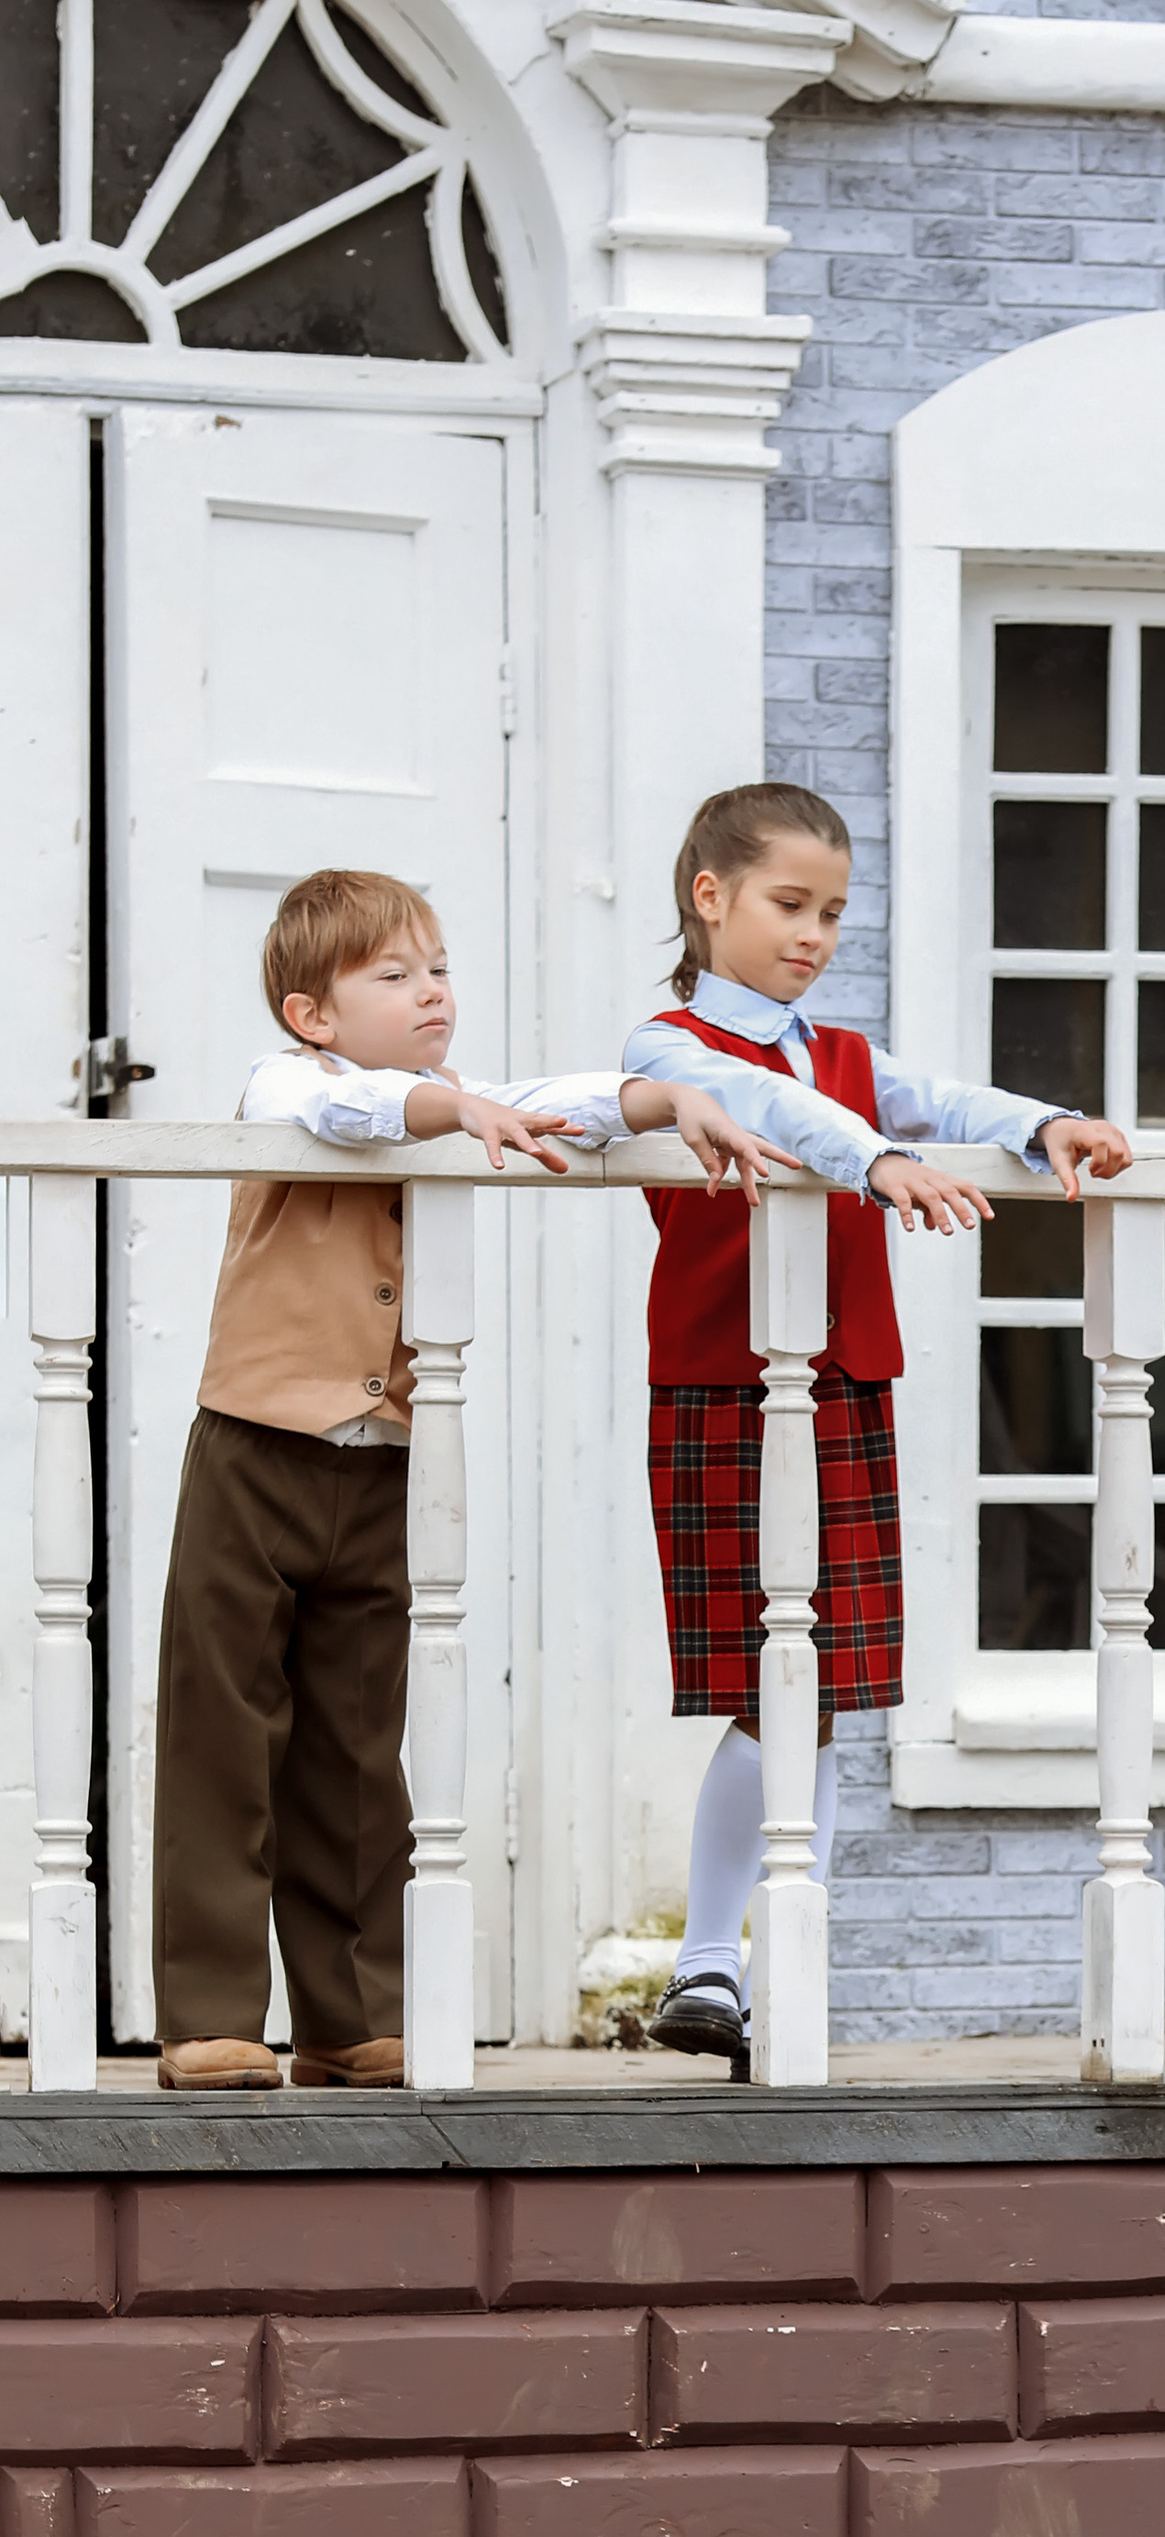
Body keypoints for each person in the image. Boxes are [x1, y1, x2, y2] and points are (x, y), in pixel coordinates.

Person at [155, 866, 783, 2094]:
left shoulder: (455, 1097)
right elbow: (358, 1117)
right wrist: (453, 1111)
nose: (432, 989)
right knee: (224, 1735)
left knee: (353, 1751)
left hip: (385, 1466)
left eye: (438, 967)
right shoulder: (287, 1085)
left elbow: (560, 1101)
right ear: (311, 1014)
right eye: (393, 974)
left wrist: (661, 1097)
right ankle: (211, 2014)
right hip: (254, 1451)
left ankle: (351, 2015)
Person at [620, 783, 1134, 2067]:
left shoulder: (847, 1053)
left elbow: (936, 1097)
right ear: (710, 897)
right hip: (718, 1386)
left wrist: (1042, 1122)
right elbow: (790, 1119)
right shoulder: (665, 1045)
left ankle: (759, 1959)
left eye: (834, 912)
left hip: (843, 1383)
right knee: (759, 1675)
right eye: (790, 904)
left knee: (828, 1691)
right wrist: (876, 1164)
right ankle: (709, 1958)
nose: (815, 933)